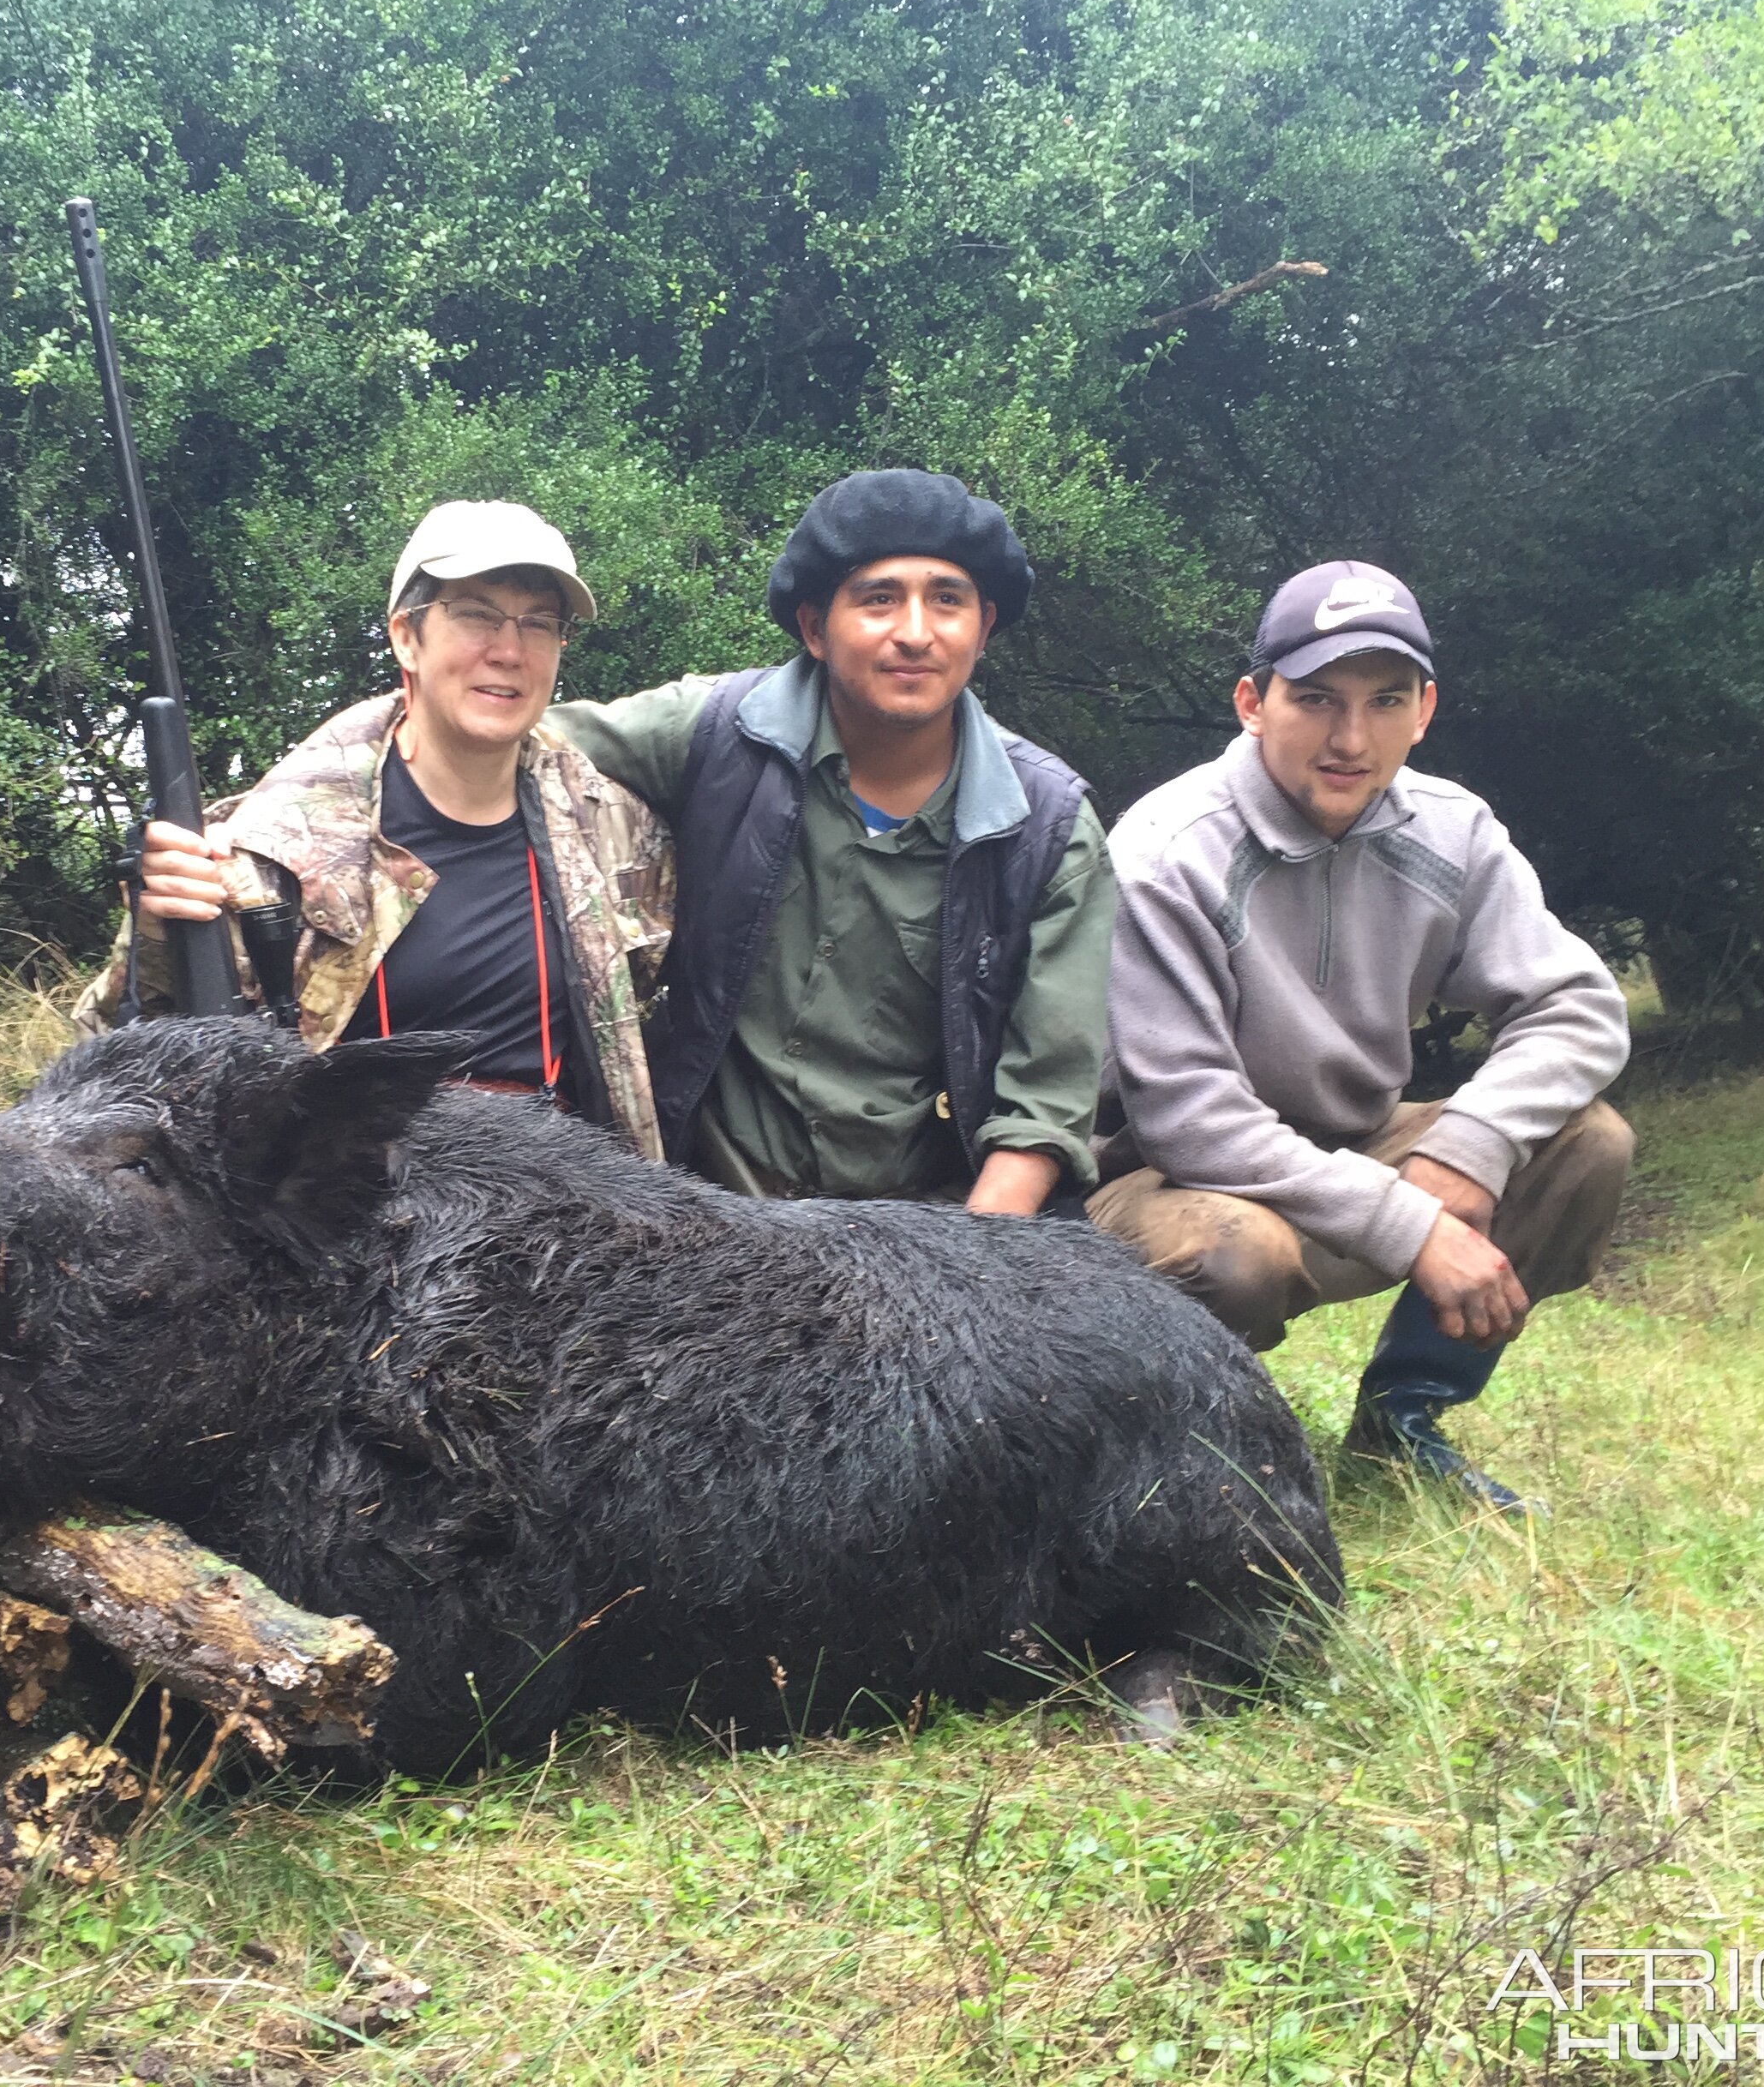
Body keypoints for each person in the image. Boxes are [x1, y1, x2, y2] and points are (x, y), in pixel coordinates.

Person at [1089, 560, 1634, 1513]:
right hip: (1154, 1180)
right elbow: (1190, 1119)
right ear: (1253, 703)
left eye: (1385, 700)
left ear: (1425, 709)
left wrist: (1472, 1146)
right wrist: (1413, 1225)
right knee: (1228, 1256)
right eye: (1316, 699)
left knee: (1587, 1143)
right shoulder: (1165, 851)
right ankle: (1190, 1461)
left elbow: (1579, 1005)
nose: (1350, 738)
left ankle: (1404, 1425)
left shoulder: (1454, 830)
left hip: (1347, 1144)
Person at [542, 469, 1113, 1215]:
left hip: (926, 1222)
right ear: (815, 629)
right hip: (695, 1200)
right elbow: (505, 739)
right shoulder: (717, 736)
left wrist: (968, 1274)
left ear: (984, 627)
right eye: (879, 598)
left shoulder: (1048, 827)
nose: (915, 632)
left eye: (947, 599)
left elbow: (1041, 1111)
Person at [82, 500, 674, 1155]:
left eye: (539, 623)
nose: (509, 650)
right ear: (405, 637)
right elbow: (114, 1062)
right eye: (476, 613)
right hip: (353, 1214)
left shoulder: (616, 828)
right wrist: (159, 931)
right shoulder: (266, 853)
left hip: (556, 1210)